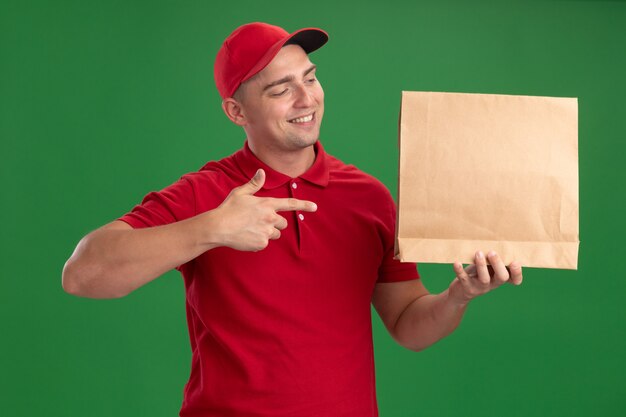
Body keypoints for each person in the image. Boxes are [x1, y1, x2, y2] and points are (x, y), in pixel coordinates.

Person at [62, 22, 523, 417]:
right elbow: (83, 274)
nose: (306, 99)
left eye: (311, 78)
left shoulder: (370, 197)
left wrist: (458, 297)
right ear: (236, 111)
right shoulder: (207, 193)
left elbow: (408, 325)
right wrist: (212, 228)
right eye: (281, 89)